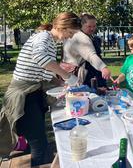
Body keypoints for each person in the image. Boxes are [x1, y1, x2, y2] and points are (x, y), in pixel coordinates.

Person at [0, 12, 81, 165]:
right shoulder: (42, 38)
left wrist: (60, 83)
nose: (70, 37)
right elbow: (42, 59)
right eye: (70, 33)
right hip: (22, 96)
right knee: (40, 146)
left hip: (33, 94)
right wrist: (67, 76)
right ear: (61, 27)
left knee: (36, 140)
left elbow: (43, 71)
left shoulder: (50, 41)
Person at [76, 13, 108, 88]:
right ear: (81, 25)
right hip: (86, 74)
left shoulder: (95, 38)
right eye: (89, 26)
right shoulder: (79, 38)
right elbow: (90, 56)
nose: (92, 29)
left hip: (97, 73)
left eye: (94, 26)